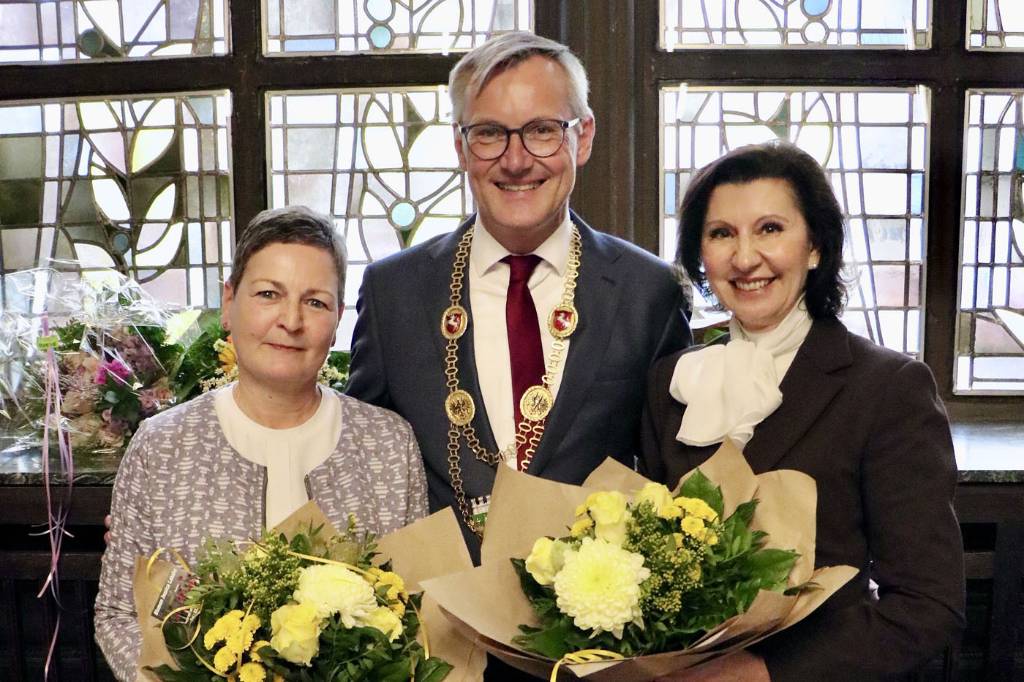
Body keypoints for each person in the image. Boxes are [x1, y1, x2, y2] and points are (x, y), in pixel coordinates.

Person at [345, 31, 691, 559]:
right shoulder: (394, 292)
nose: (515, 160)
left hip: (602, 628)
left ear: (584, 137)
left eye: (542, 131)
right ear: (461, 146)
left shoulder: (648, 292)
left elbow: (673, 485)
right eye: (489, 134)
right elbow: (362, 468)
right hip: (437, 624)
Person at [641, 141, 965, 681]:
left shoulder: (889, 388)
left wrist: (764, 673)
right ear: (701, 254)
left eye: (770, 228)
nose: (745, 258)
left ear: (815, 246)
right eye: (722, 233)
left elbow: (929, 607)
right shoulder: (669, 383)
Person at [94, 206, 428, 680]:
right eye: (269, 294)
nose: (291, 320)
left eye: (316, 302)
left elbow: (418, 609)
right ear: (229, 302)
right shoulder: (161, 446)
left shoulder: (388, 443)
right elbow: (120, 615)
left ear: (337, 322)